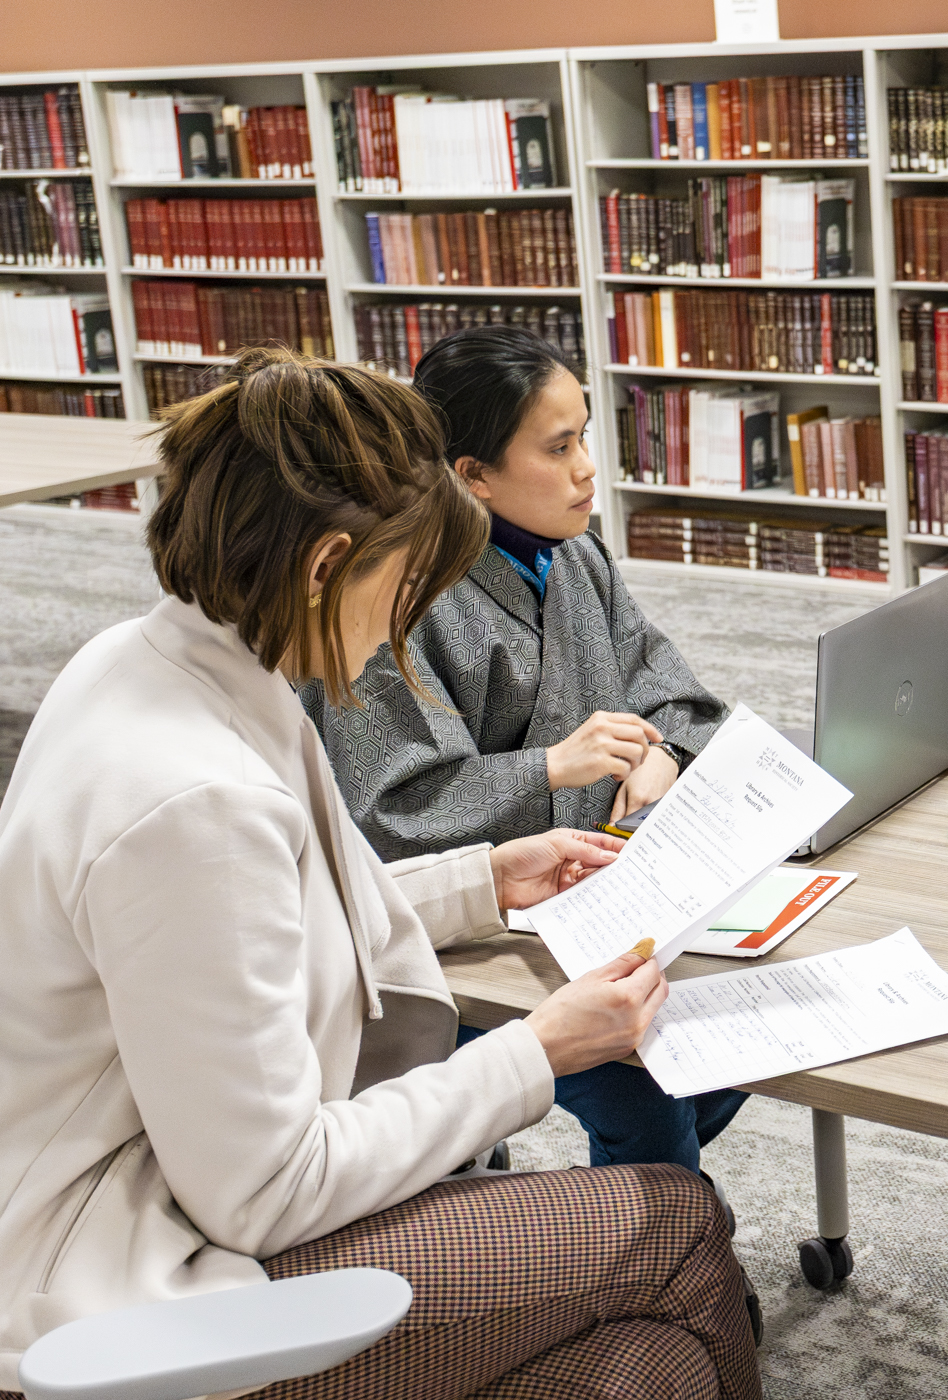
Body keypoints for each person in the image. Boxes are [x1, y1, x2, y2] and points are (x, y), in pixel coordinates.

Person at [0, 348, 758, 1399]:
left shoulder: (157, 666)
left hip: (161, 1191)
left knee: (648, 1365)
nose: (406, 628)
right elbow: (267, 1189)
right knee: (675, 1222)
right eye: (407, 588)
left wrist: (481, 876)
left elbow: (249, 924)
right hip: (131, 1280)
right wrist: (537, 1050)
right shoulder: (193, 799)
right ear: (326, 567)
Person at [302, 325, 746, 1174]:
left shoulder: (575, 553)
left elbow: (673, 691)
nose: (587, 467)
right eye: (560, 446)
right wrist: (548, 767)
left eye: (586, 435)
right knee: (648, 1089)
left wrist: (666, 757)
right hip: (471, 930)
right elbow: (396, 809)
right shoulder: (393, 598)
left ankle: (635, 1223)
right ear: (470, 476)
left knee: (730, 1042)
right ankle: (658, 1262)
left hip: (601, 892)